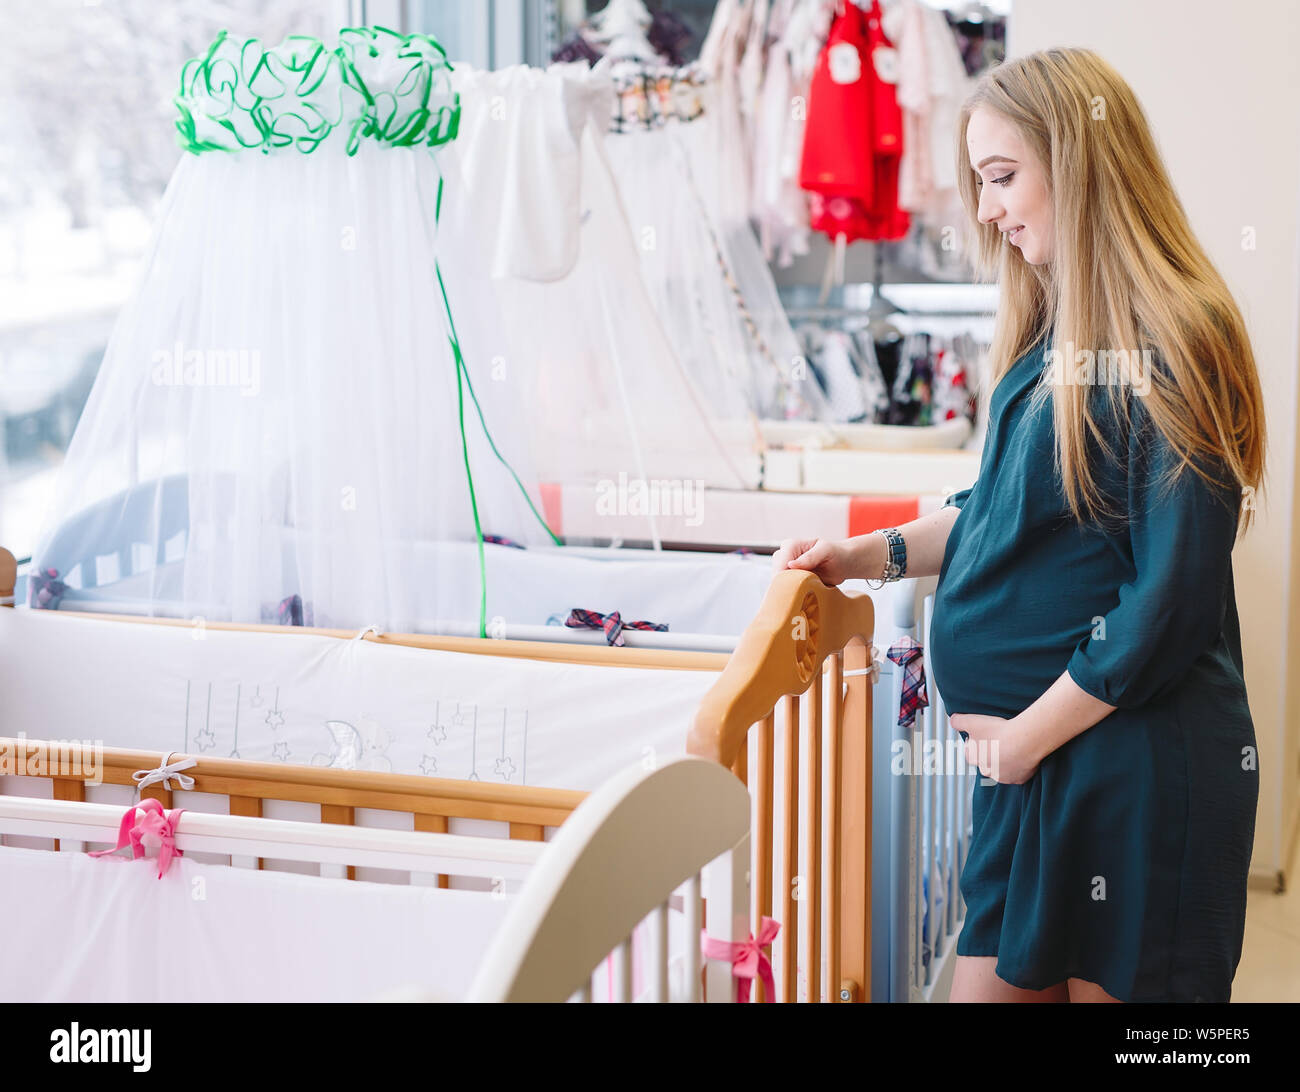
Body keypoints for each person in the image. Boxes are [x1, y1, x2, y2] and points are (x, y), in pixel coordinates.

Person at [773, 47, 1265, 1004]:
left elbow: (1171, 600)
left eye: (1003, 177)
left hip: (1133, 770)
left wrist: (1024, 740)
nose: (989, 210)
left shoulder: (1181, 336)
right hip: (1032, 769)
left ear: (1078, 163)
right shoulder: (1050, 344)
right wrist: (863, 558)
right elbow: (993, 516)